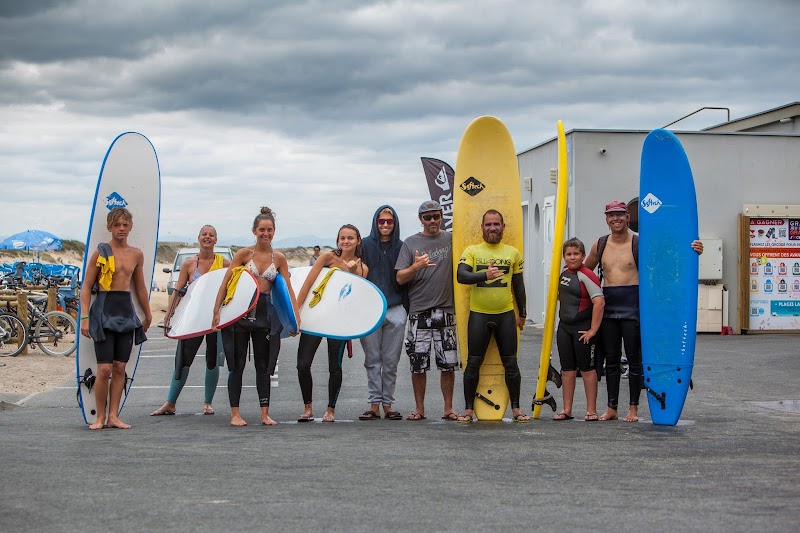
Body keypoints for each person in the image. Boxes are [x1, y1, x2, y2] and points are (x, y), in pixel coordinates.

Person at [585, 200, 702, 422]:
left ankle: (633, 409)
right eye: (612, 215)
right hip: (608, 307)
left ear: (628, 217)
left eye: (620, 214)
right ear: (606, 219)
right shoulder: (599, 245)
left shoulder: (640, 243)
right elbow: (584, 271)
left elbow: (668, 261)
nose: (616, 218)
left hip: (634, 307)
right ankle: (611, 408)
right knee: (611, 360)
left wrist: (693, 249)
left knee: (634, 359)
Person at [211, 207, 298, 427]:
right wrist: (216, 312)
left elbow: (288, 290)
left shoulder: (279, 258)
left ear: (274, 232)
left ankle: (264, 414)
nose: (265, 234)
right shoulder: (243, 254)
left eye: (269, 230)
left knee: (263, 366)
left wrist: (295, 319)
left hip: (264, 315)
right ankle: (235, 414)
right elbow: (225, 283)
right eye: (261, 230)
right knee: (237, 365)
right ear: (254, 231)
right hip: (240, 314)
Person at [454, 210, 530, 423]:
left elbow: (518, 286)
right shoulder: (472, 251)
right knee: (473, 363)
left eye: (496, 224)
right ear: (482, 227)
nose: (492, 228)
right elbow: (461, 276)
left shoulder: (512, 253)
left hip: (505, 315)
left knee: (511, 363)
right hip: (479, 315)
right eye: (488, 224)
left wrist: (523, 313)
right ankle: (468, 410)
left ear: (503, 226)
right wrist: (484, 275)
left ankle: (516, 409)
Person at [79, 207, 152, 430]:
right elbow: (86, 287)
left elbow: (140, 288)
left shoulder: (136, 254)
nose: (121, 228)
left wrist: (148, 314)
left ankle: (114, 416)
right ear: (109, 227)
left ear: (130, 227)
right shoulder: (101, 252)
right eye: (117, 225)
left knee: (120, 367)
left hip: (125, 311)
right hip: (104, 310)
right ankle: (100, 417)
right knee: (104, 369)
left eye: (125, 225)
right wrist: (84, 317)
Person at [151, 225, 230, 417]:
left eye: (211, 235)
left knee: (212, 360)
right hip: (193, 319)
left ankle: (208, 403)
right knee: (183, 359)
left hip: (215, 320)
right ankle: (170, 403)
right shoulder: (189, 264)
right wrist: (168, 316)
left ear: (216, 239)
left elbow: (233, 290)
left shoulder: (225, 264)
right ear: (198, 238)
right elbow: (178, 292)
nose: (207, 237)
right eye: (204, 234)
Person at [295, 224, 368, 423]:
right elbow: (308, 283)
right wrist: (297, 311)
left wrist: (352, 272)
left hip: (338, 322)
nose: (346, 241)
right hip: (316, 316)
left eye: (350, 238)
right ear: (338, 240)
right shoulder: (327, 258)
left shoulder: (362, 267)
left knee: (335, 366)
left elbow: (356, 297)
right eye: (342, 238)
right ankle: (308, 407)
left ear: (358, 241)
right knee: (302, 364)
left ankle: (330, 409)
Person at [396, 200, 458, 421]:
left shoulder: (451, 238)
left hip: (446, 310)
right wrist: (416, 266)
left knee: (448, 364)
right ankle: (419, 408)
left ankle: (448, 408)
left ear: (441, 216)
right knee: (418, 364)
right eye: (427, 217)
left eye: (436, 216)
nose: (432, 221)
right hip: (419, 311)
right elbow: (400, 277)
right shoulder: (410, 243)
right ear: (420, 219)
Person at [358, 205, 407, 421]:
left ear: (395, 223)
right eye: (381, 221)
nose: (385, 225)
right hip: (370, 310)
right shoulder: (364, 245)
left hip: (396, 309)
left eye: (389, 221)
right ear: (375, 223)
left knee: (391, 361)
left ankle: (388, 404)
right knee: (372, 359)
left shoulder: (402, 247)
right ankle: (374, 404)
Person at [553, 238, 604, 421]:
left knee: (587, 369)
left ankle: (591, 410)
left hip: (583, 329)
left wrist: (593, 330)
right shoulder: (563, 272)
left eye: (576, 254)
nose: (572, 257)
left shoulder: (587, 275)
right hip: (564, 328)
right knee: (567, 370)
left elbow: (599, 302)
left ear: (583, 256)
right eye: (569, 254)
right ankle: (567, 410)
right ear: (564, 257)